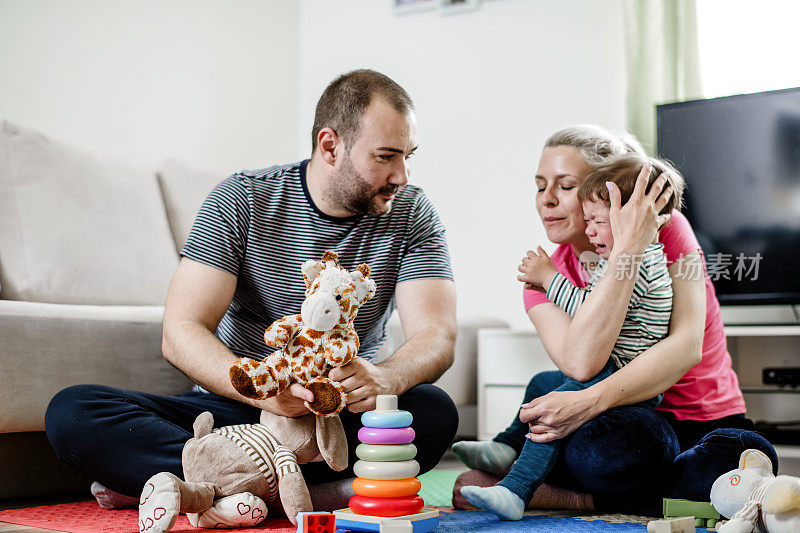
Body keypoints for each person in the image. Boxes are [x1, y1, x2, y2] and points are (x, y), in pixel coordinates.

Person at [44, 69, 459, 514]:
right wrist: (263, 394)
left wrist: (387, 378)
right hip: (238, 410)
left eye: (408, 156)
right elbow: (181, 330)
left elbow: (436, 334)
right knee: (73, 412)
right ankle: (307, 492)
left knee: (434, 411)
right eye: (386, 157)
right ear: (330, 145)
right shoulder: (240, 199)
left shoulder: (413, 213)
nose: (402, 174)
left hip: (338, 420)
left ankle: (204, 486)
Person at [453, 125, 776, 516]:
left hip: (696, 418)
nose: (547, 201)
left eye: (567, 186)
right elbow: (582, 363)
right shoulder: (543, 276)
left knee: (746, 452)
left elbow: (687, 346)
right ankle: (647, 493)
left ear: (613, 193)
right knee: (610, 449)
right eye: (540, 187)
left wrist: (630, 246)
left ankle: (567, 497)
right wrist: (624, 250)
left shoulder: (667, 230)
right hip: (619, 421)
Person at [458, 155, 682, 520]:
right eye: (588, 221)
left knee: (553, 409)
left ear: (633, 219)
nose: (591, 232)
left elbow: (584, 309)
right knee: (542, 382)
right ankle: (506, 446)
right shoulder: (618, 262)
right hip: (606, 369)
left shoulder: (634, 265)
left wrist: (549, 279)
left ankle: (515, 490)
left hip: (621, 376)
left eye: (597, 221)